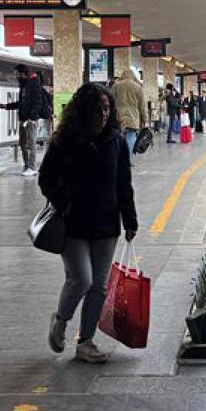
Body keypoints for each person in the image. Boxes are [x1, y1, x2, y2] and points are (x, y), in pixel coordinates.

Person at [37, 82, 138, 364]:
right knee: (81, 279)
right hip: (73, 224)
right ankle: (61, 319)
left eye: (107, 109)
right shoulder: (65, 141)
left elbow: (123, 184)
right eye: (98, 109)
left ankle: (86, 342)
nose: (104, 115)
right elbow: (45, 178)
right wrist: (64, 203)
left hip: (106, 223)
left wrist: (130, 219)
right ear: (84, 110)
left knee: (99, 287)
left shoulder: (116, 142)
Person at [0, 67, 50, 176]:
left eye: (18, 74)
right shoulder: (24, 86)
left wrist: (32, 117)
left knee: (30, 143)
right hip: (23, 119)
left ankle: (32, 167)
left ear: (24, 74)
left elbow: (37, 102)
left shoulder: (34, 84)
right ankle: (27, 165)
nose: (17, 76)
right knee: (23, 143)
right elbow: (22, 103)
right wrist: (7, 106)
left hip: (30, 120)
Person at [111, 66, 150, 154]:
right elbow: (142, 105)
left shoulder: (116, 86)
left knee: (118, 137)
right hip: (133, 117)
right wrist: (145, 119)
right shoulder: (137, 87)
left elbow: (111, 101)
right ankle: (128, 158)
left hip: (119, 117)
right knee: (131, 136)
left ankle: (118, 157)